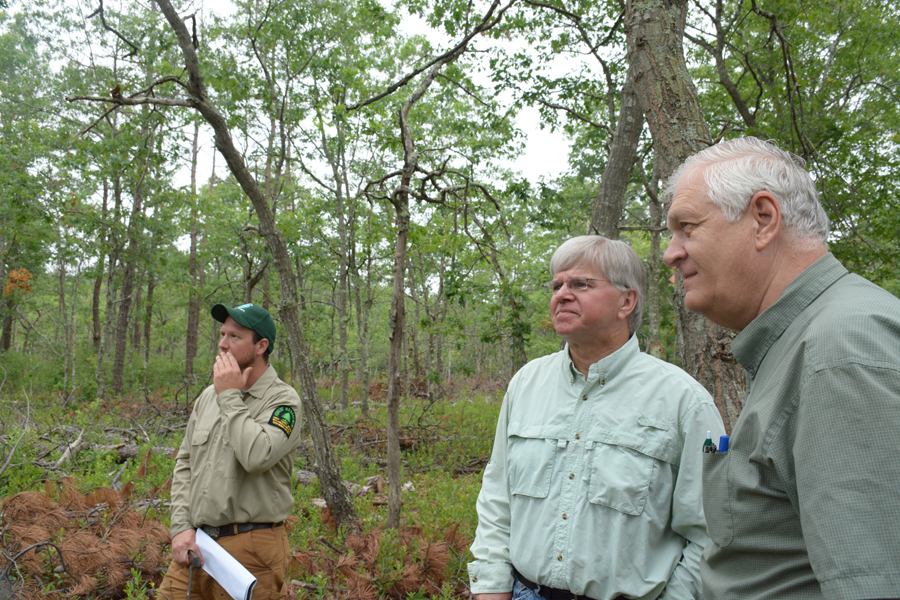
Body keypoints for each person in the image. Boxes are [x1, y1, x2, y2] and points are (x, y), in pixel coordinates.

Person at [663, 136, 900, 600]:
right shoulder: (800, 342)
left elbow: (874, 582)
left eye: (686, 227)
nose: (671, 253)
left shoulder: (840, 350)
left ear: (764, 220)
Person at [468, 236, 725, 600]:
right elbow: (497, 497)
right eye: (557, 285)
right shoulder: (526, 383)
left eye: (581, 284)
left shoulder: (685, 401)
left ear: (627, 301)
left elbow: (709, 531)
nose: (562, 294)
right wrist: (491, 589)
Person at [157, 303, 303, 600]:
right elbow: (185, 463)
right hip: (197, 545)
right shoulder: (209, 396)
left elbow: (256, 456)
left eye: (234, 337)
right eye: (222, 334)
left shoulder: (283, 401)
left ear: (261, 345)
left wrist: (230, 396)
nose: (222, 344)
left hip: (251, 550)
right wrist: (181, 528)